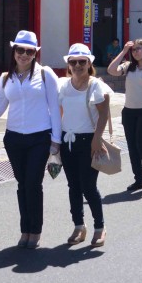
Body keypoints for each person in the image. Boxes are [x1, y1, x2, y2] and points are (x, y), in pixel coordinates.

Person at [0, 31, 61, 249]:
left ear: (35, 53)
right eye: (20, 50)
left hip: (39, 137)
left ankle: (35, 230)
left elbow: (55, 109)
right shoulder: (5, 78)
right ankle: (25, 229)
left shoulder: (46, 74)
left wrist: (55, 142)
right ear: (14, 51)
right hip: (13, 139)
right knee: (22, 185)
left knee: (33, 183)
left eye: (29, 51)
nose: (24, 55)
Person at [58, 44, 111, 248]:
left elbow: (104, 112)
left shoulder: (95, 85)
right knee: (73, 187)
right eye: (73, 62)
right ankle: (79, 226)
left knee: (88, 187)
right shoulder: (63, 85)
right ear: (68, 65)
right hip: (67, 141)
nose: (78, 65)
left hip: (88, 142)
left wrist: (97, 138)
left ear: (89, 63)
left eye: (82, 61)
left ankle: (100, 227)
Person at [108, 39, 142, 191]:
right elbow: (111, 70)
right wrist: (124, 51)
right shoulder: (128, 67)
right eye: (134, 49)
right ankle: (139, 179)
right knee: (132, 147)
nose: (136, 51)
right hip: (129, 112)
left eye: (139, 49)